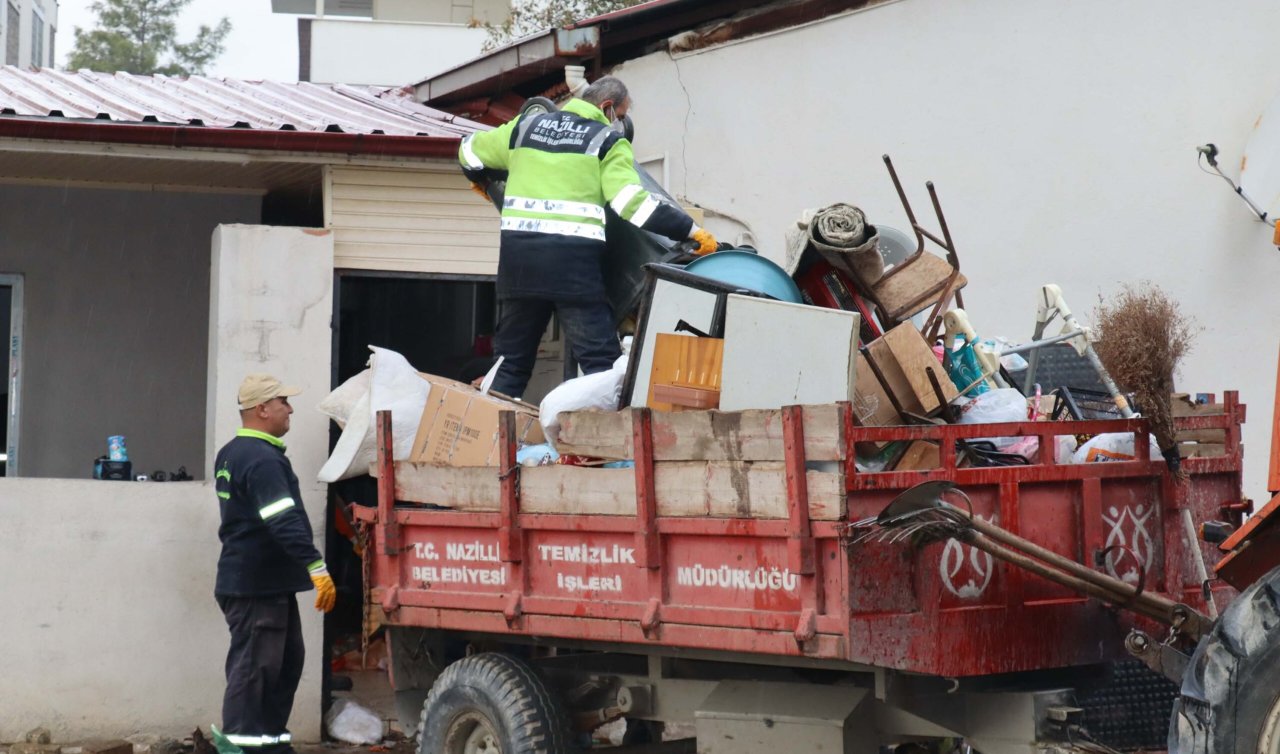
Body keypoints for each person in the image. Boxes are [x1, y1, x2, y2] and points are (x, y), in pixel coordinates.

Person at [459, 75, 718, 398]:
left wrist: (486, 182)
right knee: (602, 367)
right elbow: (630, 204)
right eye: (621, 116)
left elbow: (468, 151)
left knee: (509, 365)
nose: (620, 125)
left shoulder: (524, 128)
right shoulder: (606, 142)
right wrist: (691, 231)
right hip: (572, 270)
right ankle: (610, 446)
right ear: (607, 107)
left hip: (519, 266)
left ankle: (488, 441)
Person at [211, 374, 336, 754]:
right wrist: (316, 566)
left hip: (264, 584)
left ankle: (271, 746)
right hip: (255, 587)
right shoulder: (261, 459)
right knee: (256, 670)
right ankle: (241, 748)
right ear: (262, 409)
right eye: (283, 401)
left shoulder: (234, 452)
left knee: (284, 663)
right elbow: (282, 520)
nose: (290, 408)